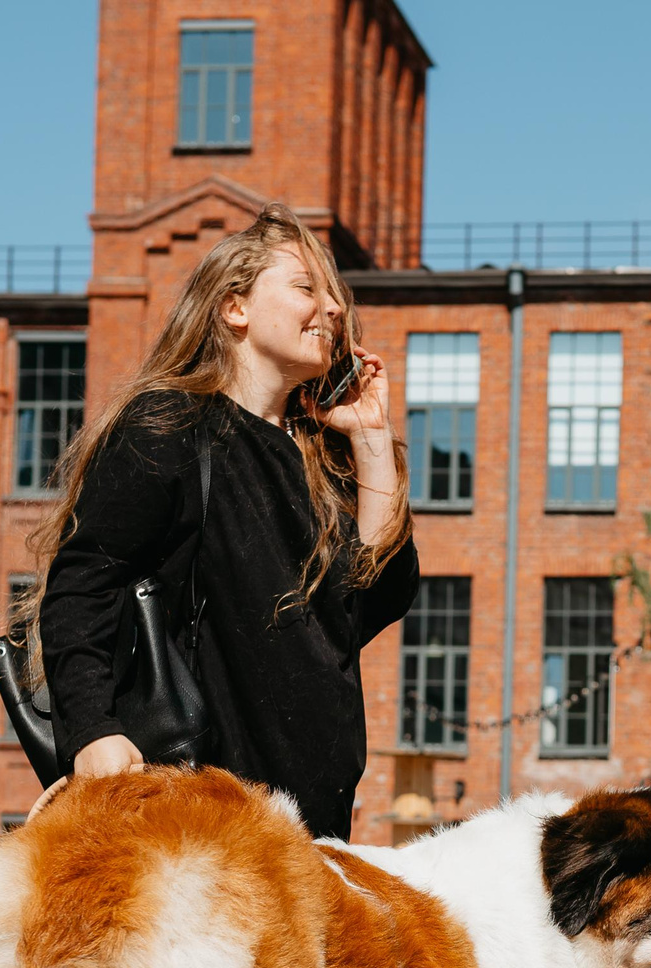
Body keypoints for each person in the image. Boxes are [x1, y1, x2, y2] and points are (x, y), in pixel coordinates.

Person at [29, 203, 418, 841]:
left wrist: (371, 439)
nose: (332, 309)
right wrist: (93, 730)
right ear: (235, 307)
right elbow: (83, 585)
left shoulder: (321, 457)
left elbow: (370, 601)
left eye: (336, 296)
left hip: (312, 814)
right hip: (197, 805)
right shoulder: (169, 427)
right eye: (307, 288)